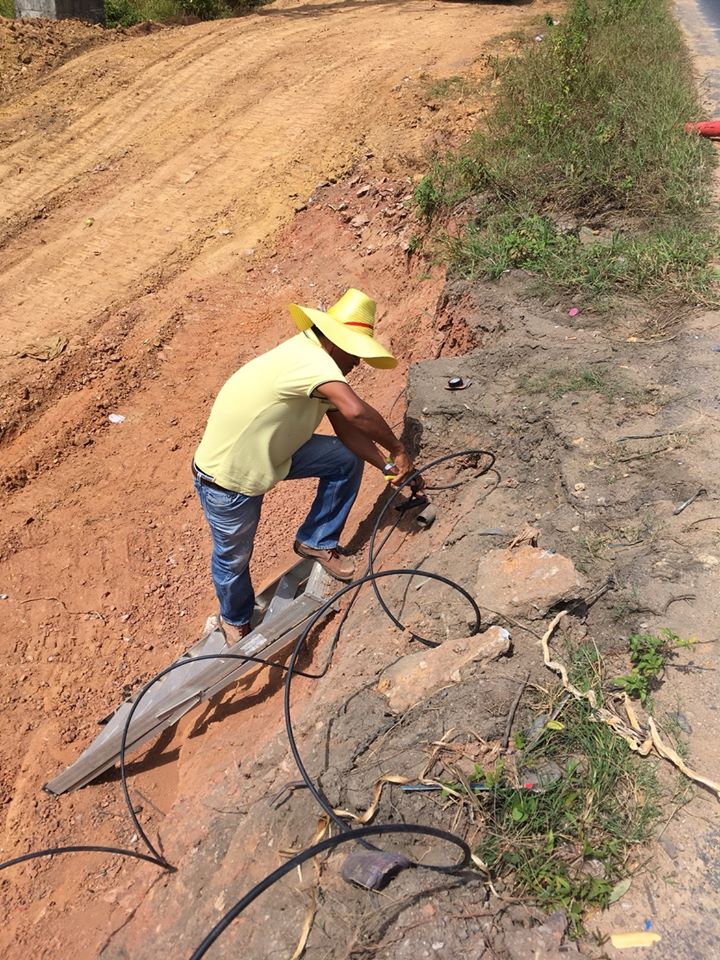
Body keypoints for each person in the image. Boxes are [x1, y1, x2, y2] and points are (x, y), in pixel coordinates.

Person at [192, 288, 417, 643]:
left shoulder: (314, 362)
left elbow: (347, 429)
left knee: (344, 459)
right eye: (354, 353)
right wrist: (397, 448)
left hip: (273, 452)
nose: (357, 363)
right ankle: (234, 619)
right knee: (234, 556)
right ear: (334, 342)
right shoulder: (312, 363)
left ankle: (316, 539)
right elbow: (356, 411)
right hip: (229, 477)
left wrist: (387, 467)